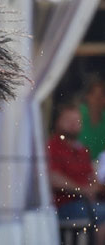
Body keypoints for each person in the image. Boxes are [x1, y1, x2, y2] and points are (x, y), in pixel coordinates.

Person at [48, 103, 105, 243]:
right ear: (58, 122)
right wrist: (83, 190)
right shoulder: (52, 147)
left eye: (77, 121)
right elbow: (52, 178)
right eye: (69, 121)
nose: (73, 125)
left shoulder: (83, 150)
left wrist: (95, 188)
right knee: (102, 213)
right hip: (62, 206)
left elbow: (92, 178)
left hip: (86, 204)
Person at [78, 79, 105, 160]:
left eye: (102, 96)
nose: (98, 100)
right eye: (95, 95)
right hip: (77, 165)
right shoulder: (77, 114)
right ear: (87, 96)